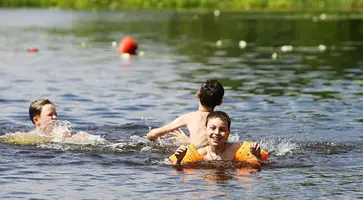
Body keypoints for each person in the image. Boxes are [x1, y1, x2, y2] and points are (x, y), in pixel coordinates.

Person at [147, 79, 224, 148]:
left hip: (193, 153)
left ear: (197, 95)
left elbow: (152, 134)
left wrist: (186, 141)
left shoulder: (188, 117)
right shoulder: (222, 121)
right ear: (220, 102)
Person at [172, 111, 268, 166]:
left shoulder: (237, 149)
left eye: (222, 129)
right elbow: (177, 171)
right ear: (205, 130)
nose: (216, 133)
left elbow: (265, 166)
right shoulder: (200, 154)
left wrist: (258, 156)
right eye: (212, 128)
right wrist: (179, 160)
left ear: (228, 133)